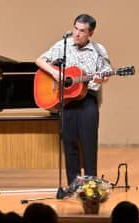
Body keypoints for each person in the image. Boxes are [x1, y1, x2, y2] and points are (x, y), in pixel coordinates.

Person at [35, 14, 113, 186]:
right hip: (67, 100)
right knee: (69, 142)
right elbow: (39, 60)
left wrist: (101, 78)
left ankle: (91, 184)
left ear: (90, 33)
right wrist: (55, 73)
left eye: (82, 31)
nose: (77, 34)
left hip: (88, 100)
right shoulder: (63, 45)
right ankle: (73, 184)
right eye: (75, 29)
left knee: (88, 143)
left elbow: (106, 73)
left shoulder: (99, 50)